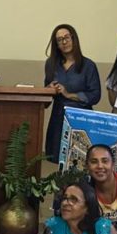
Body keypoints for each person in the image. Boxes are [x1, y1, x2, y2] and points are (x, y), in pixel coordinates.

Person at [44, 24, 101, 160]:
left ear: (74, 39)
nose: (64, 42)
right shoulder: (51, 64)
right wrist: (49, 90)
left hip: (81, 121)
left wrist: (69, 94)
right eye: (59, 40)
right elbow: (45, 99)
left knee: (79, 161)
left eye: (67, 37)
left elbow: (95, 96)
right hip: (58, 119)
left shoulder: (88, 65)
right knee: (57, 160)